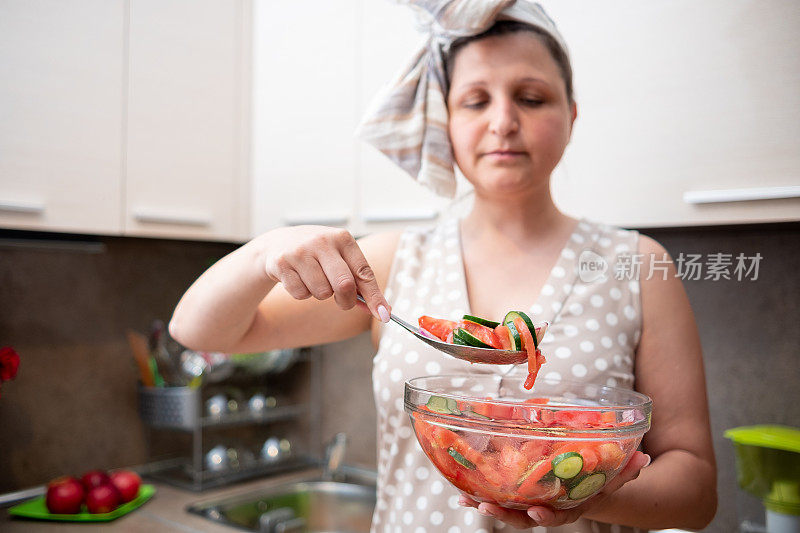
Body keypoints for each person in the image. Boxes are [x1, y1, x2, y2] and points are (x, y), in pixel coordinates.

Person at [169, 1, 717, 531]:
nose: (503, 121)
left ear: (570, 116)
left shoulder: (637, 266)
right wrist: (265, 252)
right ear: (445, 122)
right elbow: (199, 330)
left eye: (531, 97)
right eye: (476, 101)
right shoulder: (387, 264)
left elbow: (695, 490)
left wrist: (582, 497)